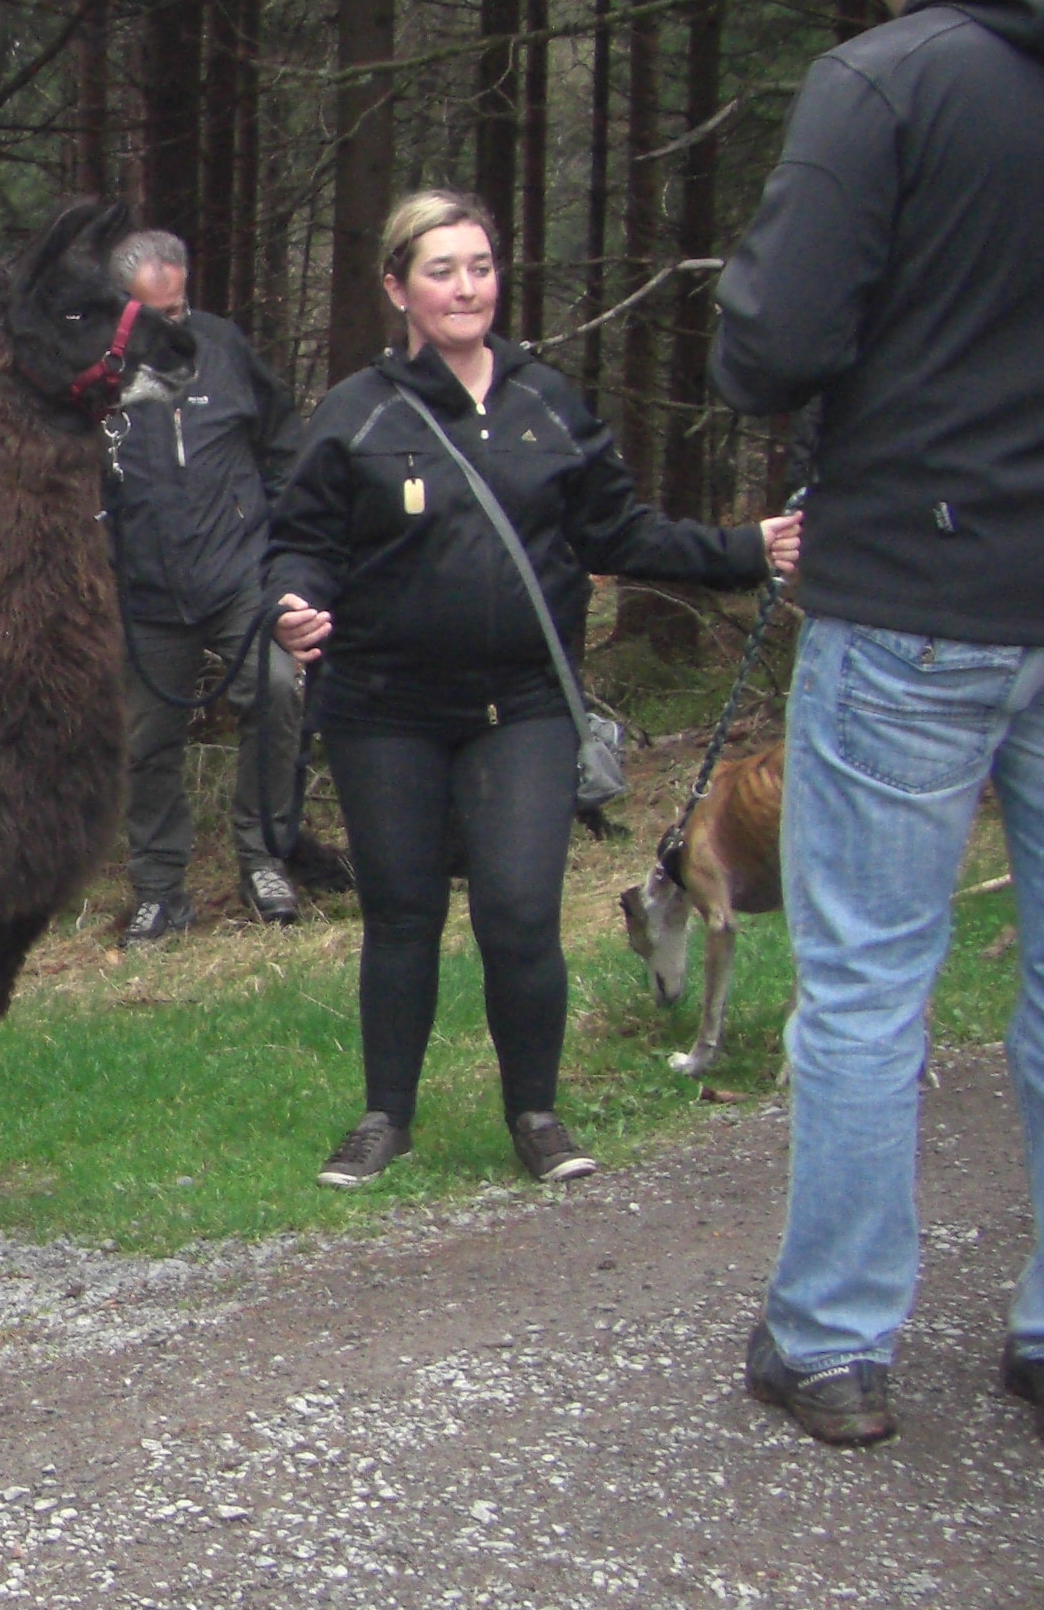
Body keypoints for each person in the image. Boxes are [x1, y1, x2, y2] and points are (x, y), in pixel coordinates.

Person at [709, 0, 1044, 1453]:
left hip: (919, 591)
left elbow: (772, 341)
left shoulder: (881, 83)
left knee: (865, 973)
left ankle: (836, 1336)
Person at [268, 191, 795, 1192]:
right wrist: (290, 604)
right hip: (386, 708)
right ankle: (385, 1117)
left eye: (480, 265)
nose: (466, 287)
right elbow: (301, 542)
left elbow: (620, 532)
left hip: (525, 705)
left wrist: (744, 550)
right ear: (396, 287)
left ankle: (536, 1114)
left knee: (518, 913)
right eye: (441, 270)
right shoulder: (357, 413)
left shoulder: (547, 400)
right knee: (404, 914)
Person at [105, 228, 306, 945]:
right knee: (144, 737)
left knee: (278, 691)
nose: (170, 325)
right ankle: (160, 889)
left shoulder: (224, 347)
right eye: (153, 314)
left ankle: (265, 858)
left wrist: (282, 539)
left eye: (178, 308)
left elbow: (286, 444)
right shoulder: (100, 371)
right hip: (147, 591)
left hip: (240, 573)